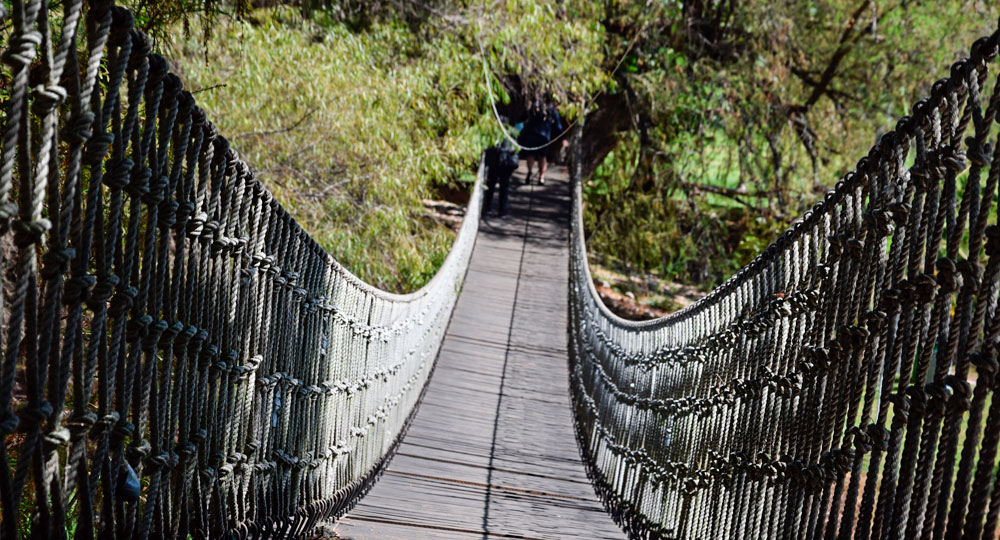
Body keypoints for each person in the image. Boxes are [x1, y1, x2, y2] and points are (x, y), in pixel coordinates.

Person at [517, 102, 567, 184]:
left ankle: (530, 171)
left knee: (531, 155)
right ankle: (541, 177)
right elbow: (558, 126)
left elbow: (522, 118)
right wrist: (563, 138)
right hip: (544, 136)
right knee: (542, 157)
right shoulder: (551, 109)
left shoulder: (533, 106)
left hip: (532, 134)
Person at [483, 138, 519, 218]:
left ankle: (492, 208)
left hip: (502, 159)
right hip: (502, 158)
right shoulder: (511, 131)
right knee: (499, 185)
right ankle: (500, 210)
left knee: (495, 184)